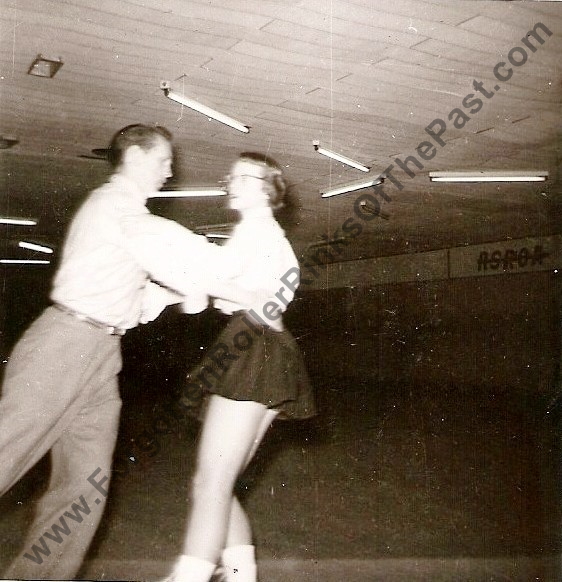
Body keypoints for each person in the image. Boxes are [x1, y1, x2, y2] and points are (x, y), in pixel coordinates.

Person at [0, 124, 260, 580]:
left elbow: (141, 298)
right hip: (64, 345)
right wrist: (233, 281)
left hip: (100, 354)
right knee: (5, 453)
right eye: (163, 161)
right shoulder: (115, 207)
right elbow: (170, 248)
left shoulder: (125, 220)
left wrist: (196, 292)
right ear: (136, 157)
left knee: (85, 488)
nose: (170, 170)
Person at [164, 153, 316, 582]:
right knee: (216, 483)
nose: (231, 182)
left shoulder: (257, 230)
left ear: (270, 188)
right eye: (231, 176)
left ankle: (189, 577)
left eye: (244, 178)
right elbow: (242, 290)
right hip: (261, 347)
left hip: (254, 347)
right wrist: (200, 288)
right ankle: (239, 574)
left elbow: (238, 288)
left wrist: (193, 280)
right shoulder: (267, 236)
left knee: (210, 483)